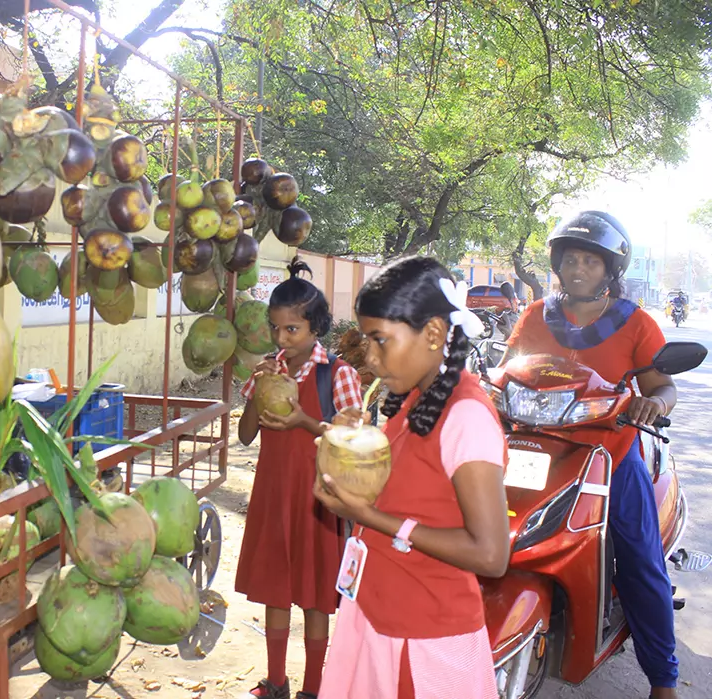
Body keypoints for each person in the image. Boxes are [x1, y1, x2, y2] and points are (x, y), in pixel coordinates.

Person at [314, 256, 509, 699]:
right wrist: (348, 452)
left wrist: (372, 518)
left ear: (434, 334)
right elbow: (409, 496)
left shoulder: (466, 417)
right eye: (367, 342)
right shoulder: (415, 402)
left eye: (381, 341)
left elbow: (491, 554)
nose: (371, 358)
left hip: (421, 643)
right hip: (378, 615)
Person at [502, 211, 679, 699]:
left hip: (609, 453)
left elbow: (662, 386)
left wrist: (653, 403)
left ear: (610, 271)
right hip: (534, 447)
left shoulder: (635, 323)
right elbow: (504, 370)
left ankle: (663, 679)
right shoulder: (536, 314)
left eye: (591, 261)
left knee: (640, 560)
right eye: (571, 259)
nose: (579, 268)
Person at [236, 258, 364, 699]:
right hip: (273, 495)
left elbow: (351, 442)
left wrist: (303, 422)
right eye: (275, 329)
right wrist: (257, 389)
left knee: (314, 598)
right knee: (275, 589)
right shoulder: (269, 367)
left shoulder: (337, 374)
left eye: (291, 330)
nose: (281, 339)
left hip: (316, 501)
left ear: (316, 328)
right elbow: (246, 434)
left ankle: (313, 688)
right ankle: (275, 682)